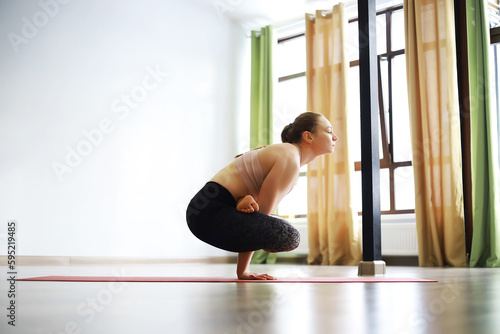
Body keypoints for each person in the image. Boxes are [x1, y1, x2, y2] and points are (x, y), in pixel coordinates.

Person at [186, 112, 338, 280]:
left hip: (207, 210)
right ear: (308, 136)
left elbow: (256, 214)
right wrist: (242, 272)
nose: (335, 137)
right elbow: (260, 218)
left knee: (281, 225)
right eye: (329, 131)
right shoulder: (290, 158)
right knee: (289, 235)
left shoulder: (289, 155)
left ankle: (239, 206)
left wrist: (243, 202)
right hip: (207, 214)